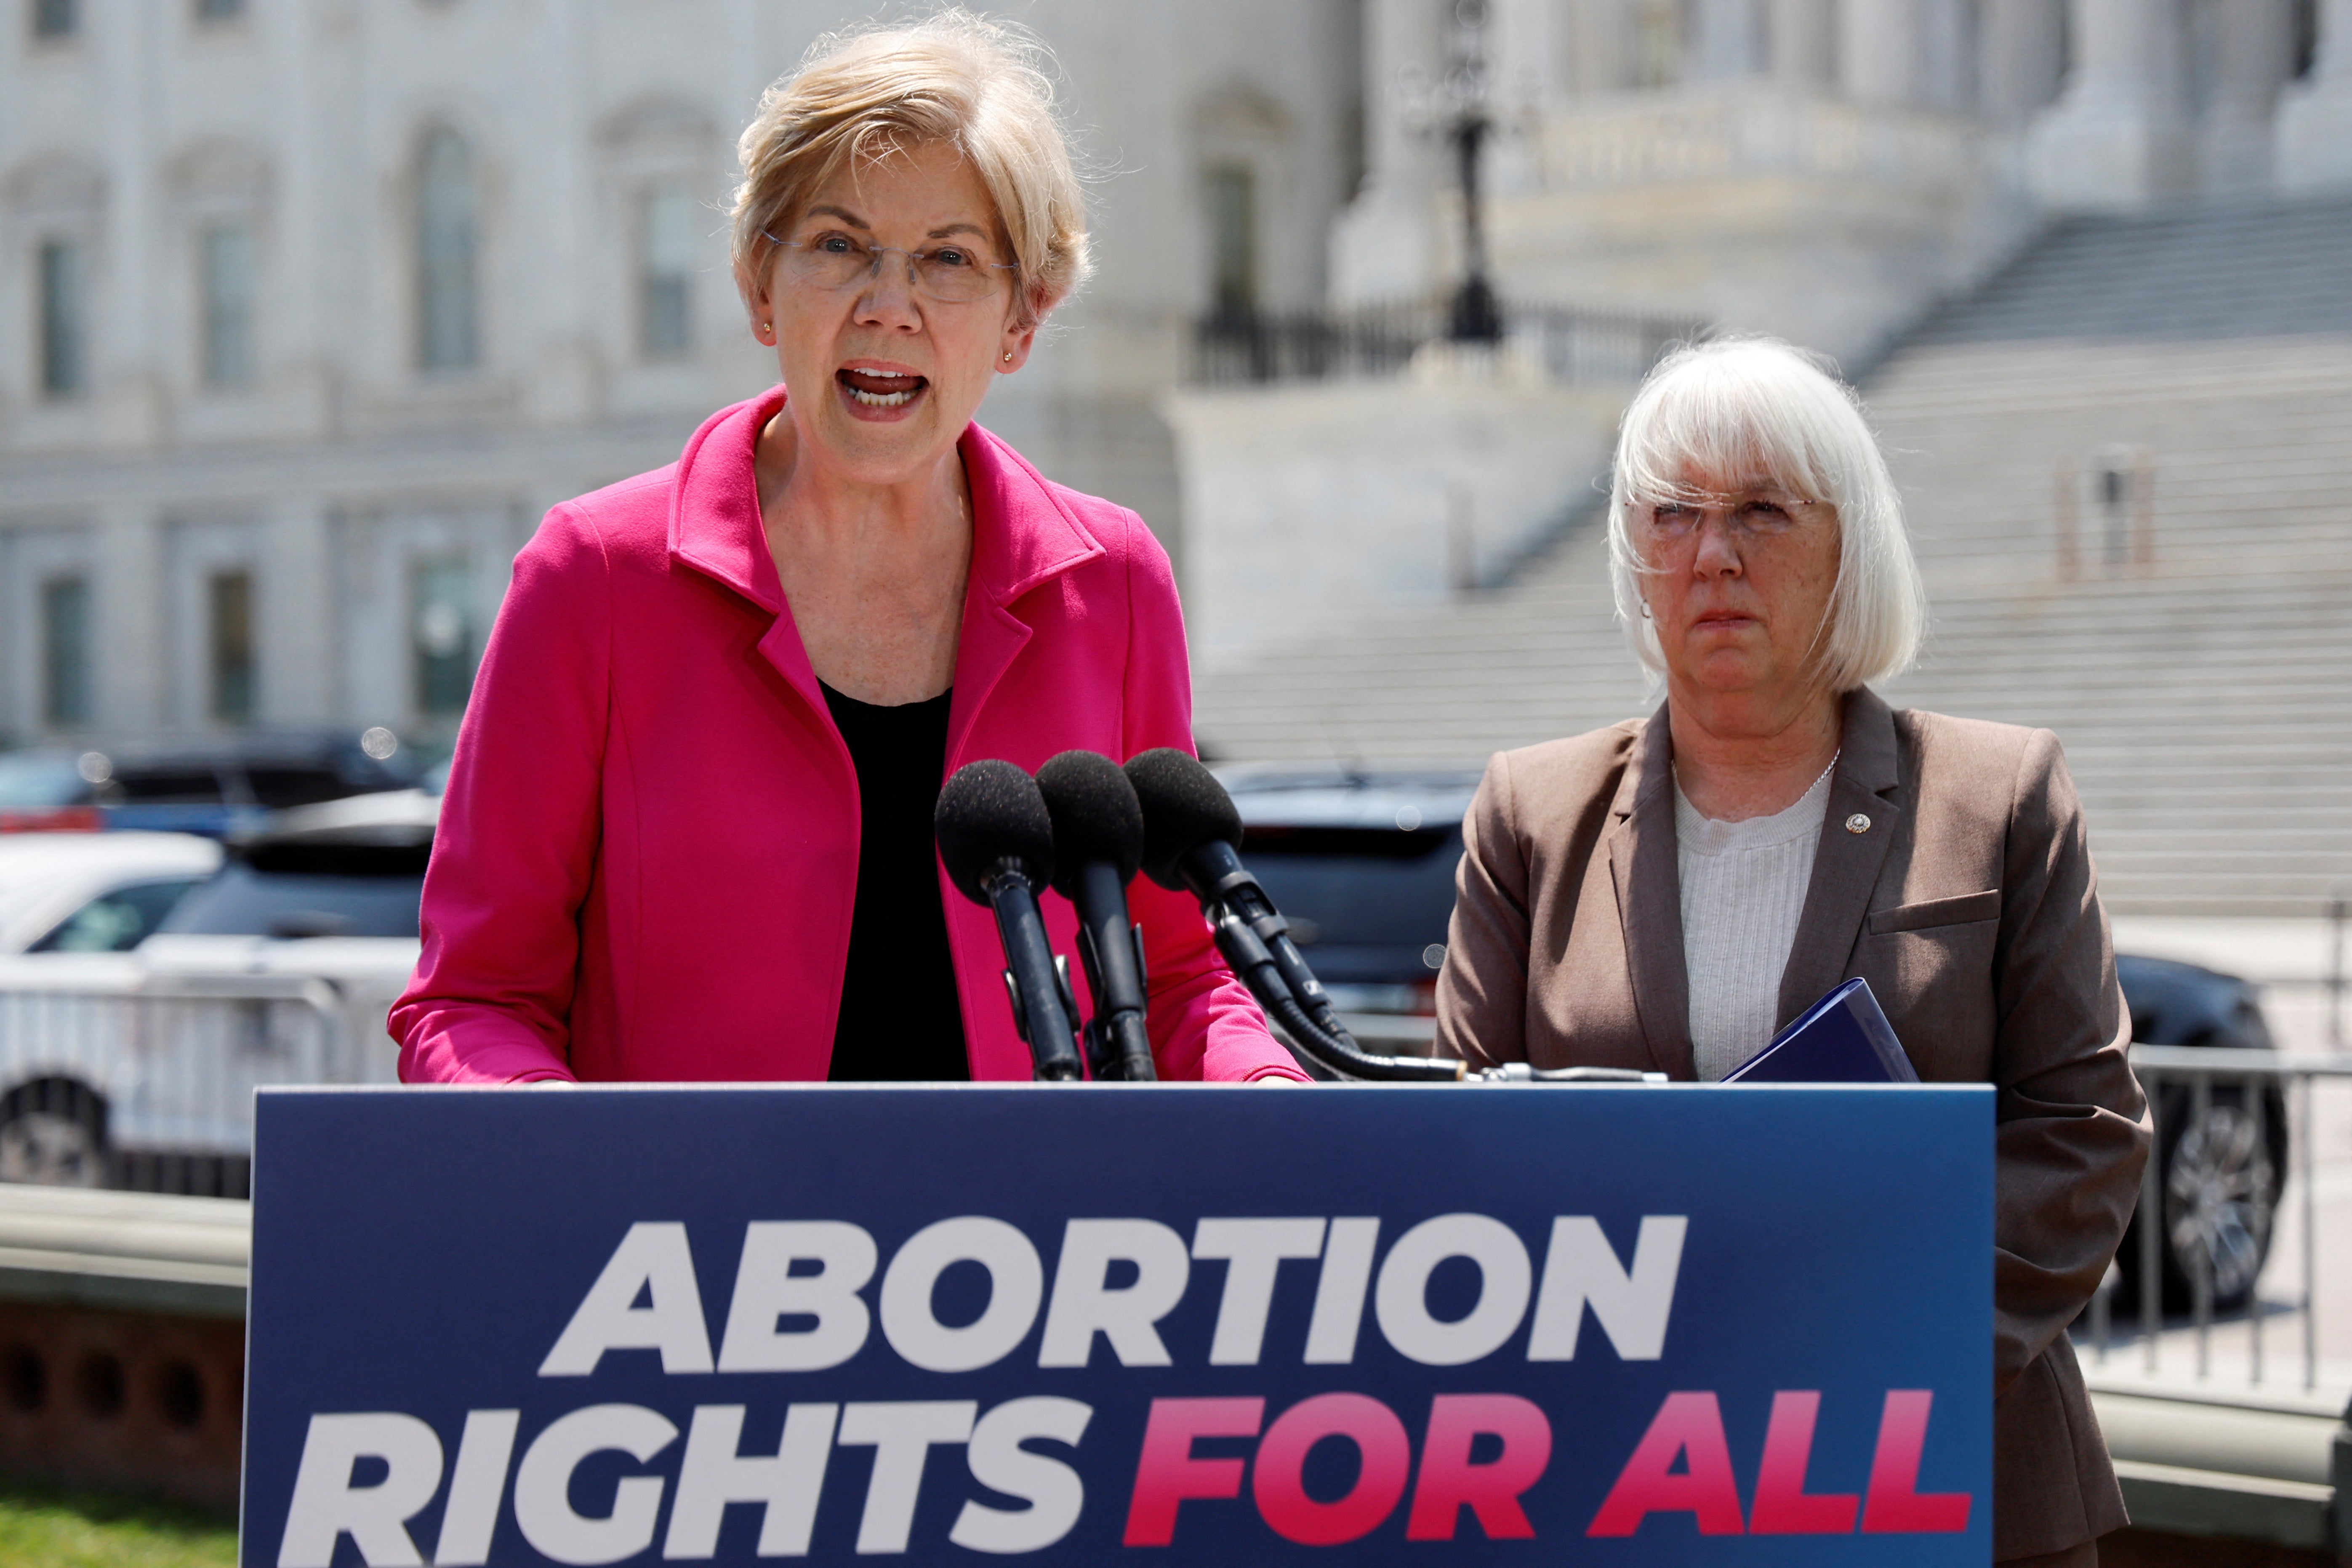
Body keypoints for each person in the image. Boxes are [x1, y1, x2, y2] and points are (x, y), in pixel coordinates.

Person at [392, 13, 1306, 1086]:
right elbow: (474, 1001)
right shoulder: (591, 577)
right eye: (836, 246)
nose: (888, 306)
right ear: (755, 284)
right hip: (683, 1246)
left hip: (1021, 1249)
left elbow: (1184, 979)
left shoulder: (1111, 582)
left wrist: (1263, 1090)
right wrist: (571, 1164)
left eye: (949, 261)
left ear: (1023, 319)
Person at [1435, 338, 2150, 1566]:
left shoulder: (1999, 793)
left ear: (1847, 545)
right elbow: (1460, 1154)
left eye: (1762, 510)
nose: (1712, 553)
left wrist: (1847, 1345)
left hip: (1950, 1472)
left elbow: (2082, 1131)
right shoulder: (1528, 812)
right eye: (1673, 511)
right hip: (1621, 1480)